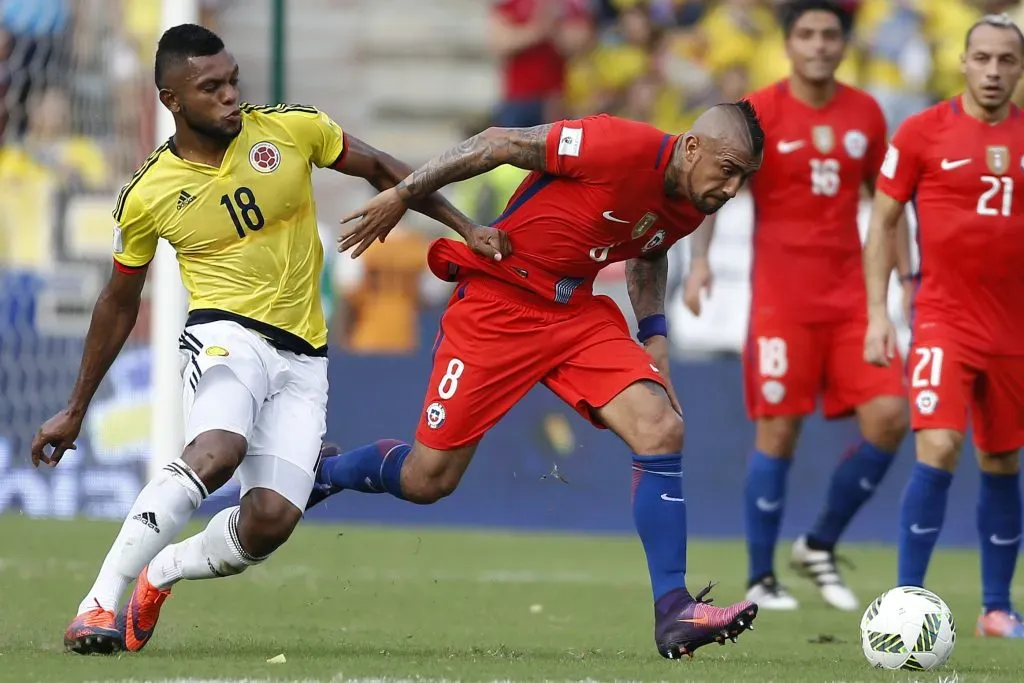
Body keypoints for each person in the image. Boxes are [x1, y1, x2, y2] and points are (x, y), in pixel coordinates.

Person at [31, 24, 506, 656]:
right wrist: (77, 406)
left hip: (304, 354)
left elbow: (382, 167)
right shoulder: (147, 194)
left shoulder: (290, 129)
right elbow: (118, 303)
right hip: (224, 334)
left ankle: (161, 571)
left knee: (269, 523)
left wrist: (464, 225)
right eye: (211, 87)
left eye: (233, 81)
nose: (231, 96)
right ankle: (97, 604)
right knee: (218, 449)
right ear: (172, 101)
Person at [308, 103, 765, 659]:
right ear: (693, 147)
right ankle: (325, 472)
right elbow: (496, 143)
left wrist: (655, 338)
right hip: (497, 303)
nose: (734, 187)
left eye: (744, 177)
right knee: (428, 479)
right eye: (729, 168)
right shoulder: (616, 146)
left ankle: (674, 610)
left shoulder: (693, 198)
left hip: (574, 313)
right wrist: (402, 197)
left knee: (661, 428)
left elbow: (650, 249)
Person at [683, 0, 911, 612]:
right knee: (778, 430)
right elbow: (713, 186)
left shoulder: (866, 112)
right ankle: (761, 576)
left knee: (890, 417)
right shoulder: (759, 112)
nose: (818, 44)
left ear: (843, 44)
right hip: (782, 302)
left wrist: (907, 279)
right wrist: (700, 261)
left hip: (851, 301)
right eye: (806, 34)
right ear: (789, 44)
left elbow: (889, 202)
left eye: (829, 34)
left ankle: (819, 542)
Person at [864, 13, 1024, 639]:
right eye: (981, 58)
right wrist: (880, 310)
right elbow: (882, 220)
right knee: (938, 444)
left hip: (1013, 330)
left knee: (1004, 458)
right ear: (961, 61)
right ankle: (907, 604)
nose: (992, 71)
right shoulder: (923, 131)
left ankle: (996, 608)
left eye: (1005, 60)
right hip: (943, 320)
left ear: (1018, 68)